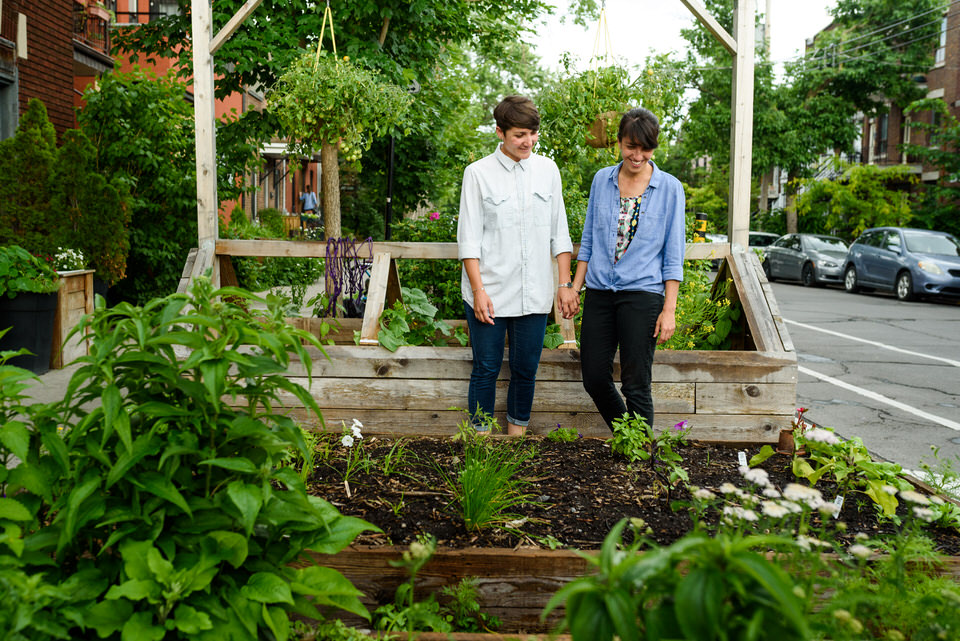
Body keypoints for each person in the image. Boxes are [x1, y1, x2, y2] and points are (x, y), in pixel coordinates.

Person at [457, 95, 579, 436]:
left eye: (533, 133)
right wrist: (479, 291)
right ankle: (480, 444)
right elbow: (468, 239)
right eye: (520, 135)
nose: (529, 141)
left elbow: (560, 233)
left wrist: (564, 284)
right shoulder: (478, 174)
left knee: (526, 369)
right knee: (486, 367)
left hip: (534, 292)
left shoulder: (547, 170)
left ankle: (515, 445)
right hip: (489, 291)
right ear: (500, 132)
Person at [570, 107, 685, 432]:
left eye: (645, 148)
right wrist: (575, 288)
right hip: (600, 293)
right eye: (630, 146)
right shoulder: (602, 181)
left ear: (654, 147)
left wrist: (669, 309)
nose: (637, 155)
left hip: (643, 294)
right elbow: (589, 241)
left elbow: (673, 254)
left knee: (636, 382)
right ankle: (630, 438)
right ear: (619, 142)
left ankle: (638, 456)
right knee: (593, 377)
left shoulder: (670, 189)